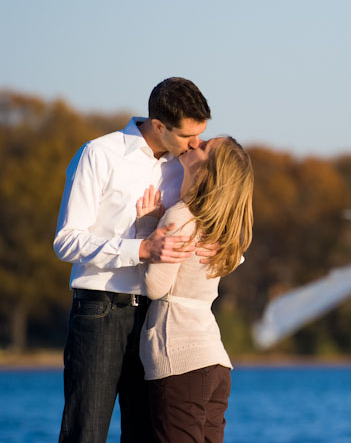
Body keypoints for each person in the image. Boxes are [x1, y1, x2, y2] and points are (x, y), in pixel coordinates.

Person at [54, 77, 215, 443]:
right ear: (159, 126)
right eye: (188, 137)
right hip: (100, 313)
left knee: (145, 434)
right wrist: (141, 250)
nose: (196, 145)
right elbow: (66, 242)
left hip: (156, 322)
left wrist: (224, 249)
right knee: (86, 432)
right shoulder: (98, 154)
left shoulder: (186, 165)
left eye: (199, 135)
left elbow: (219, 216)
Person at [134, 136, 253, 443]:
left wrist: (147, 229)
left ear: (210, 170)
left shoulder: (180, 216)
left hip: (180, 360)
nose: (194, 143)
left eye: (204, 147)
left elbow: (155, 287)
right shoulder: (221, 229)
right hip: (215, 362)